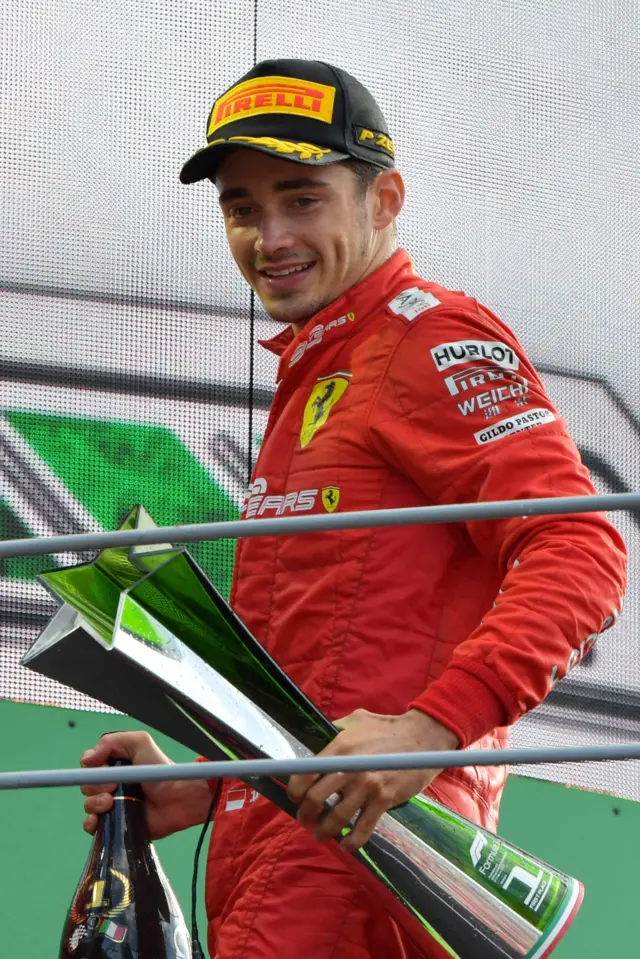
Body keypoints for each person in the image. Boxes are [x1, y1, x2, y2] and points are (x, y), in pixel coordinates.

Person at [80, 59, 627, 958]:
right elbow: (328, 667)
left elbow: (581, 546)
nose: (270, 235)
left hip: (363, 858)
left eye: (302, 199)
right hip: (286, 850)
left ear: (384, 201)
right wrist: (215, 782)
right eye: (242, 209)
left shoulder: (428, 336)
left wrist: (426, 729)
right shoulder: (319, 373)